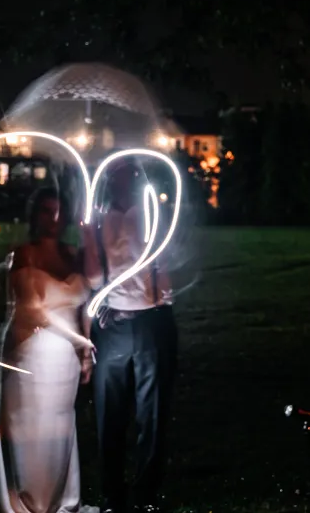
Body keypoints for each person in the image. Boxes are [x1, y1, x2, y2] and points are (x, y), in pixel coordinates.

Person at [0, 187, 99, 513]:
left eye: (59, 211)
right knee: (26, 425)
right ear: (36, 216)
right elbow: (33, 309)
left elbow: (85, 304)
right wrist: (79, 340)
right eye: (47, 211)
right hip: (30, 352)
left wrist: (84, 351)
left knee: (58, 427)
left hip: (65, 363)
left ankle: (56, 498)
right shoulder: (23, 254)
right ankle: (21, 501)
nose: (54, 218)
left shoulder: (74, 254)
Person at [82, 158, 177, 513]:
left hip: (153, 320)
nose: (124, 176)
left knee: (151, 416)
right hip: (114, 325)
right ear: (108, 176)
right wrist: (89, 239)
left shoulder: (152, 212)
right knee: (110, 415)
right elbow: (93, 278)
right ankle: (113, 496)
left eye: (130, 170)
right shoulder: (98, 218)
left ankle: (145, 497)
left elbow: (165, 258)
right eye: (117, 171)